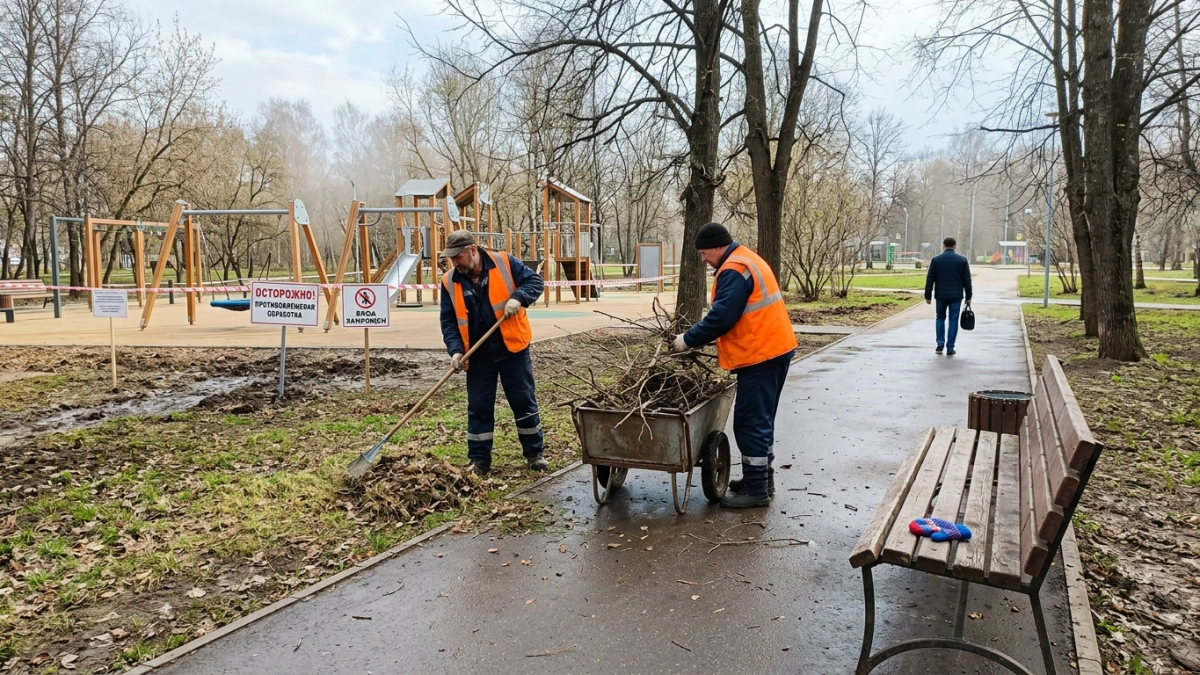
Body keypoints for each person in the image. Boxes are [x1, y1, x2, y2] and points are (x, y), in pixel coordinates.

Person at [670, 222, 797, 508]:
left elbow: (721, 318)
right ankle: (762, 479)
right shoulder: (745, 259)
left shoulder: (734, 269)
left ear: (717, 247)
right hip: (774, 350)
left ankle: (756, 491)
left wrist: (686, 341)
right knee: (761, 420)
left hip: (761, 355)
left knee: (750, 422)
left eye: (704, 253)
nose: (703, 259)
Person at [439, 230, 548, 476]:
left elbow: (535, 282)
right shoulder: (449, 281)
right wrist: (456, 351)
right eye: (452, 258)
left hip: (512, 348)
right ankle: (480, 461)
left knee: (523, 402)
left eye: (458, 256)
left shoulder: (504, 262)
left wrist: (519, 298)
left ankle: (534, 454)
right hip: (477, 355)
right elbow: (448, 321)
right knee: (478, 407)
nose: (455, 262)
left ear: (473, 250)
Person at [924, 236, 973, 356]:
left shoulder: (936, 260)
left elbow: (930, 278)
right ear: (955, 246)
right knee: (953, 320)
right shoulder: (962, 260)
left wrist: (928, 295)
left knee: (940, 318)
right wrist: (968, 296)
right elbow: (967, 280)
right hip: (956, 296)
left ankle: (940, 343)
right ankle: (950, 347)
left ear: (943, 245)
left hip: (940, 295)